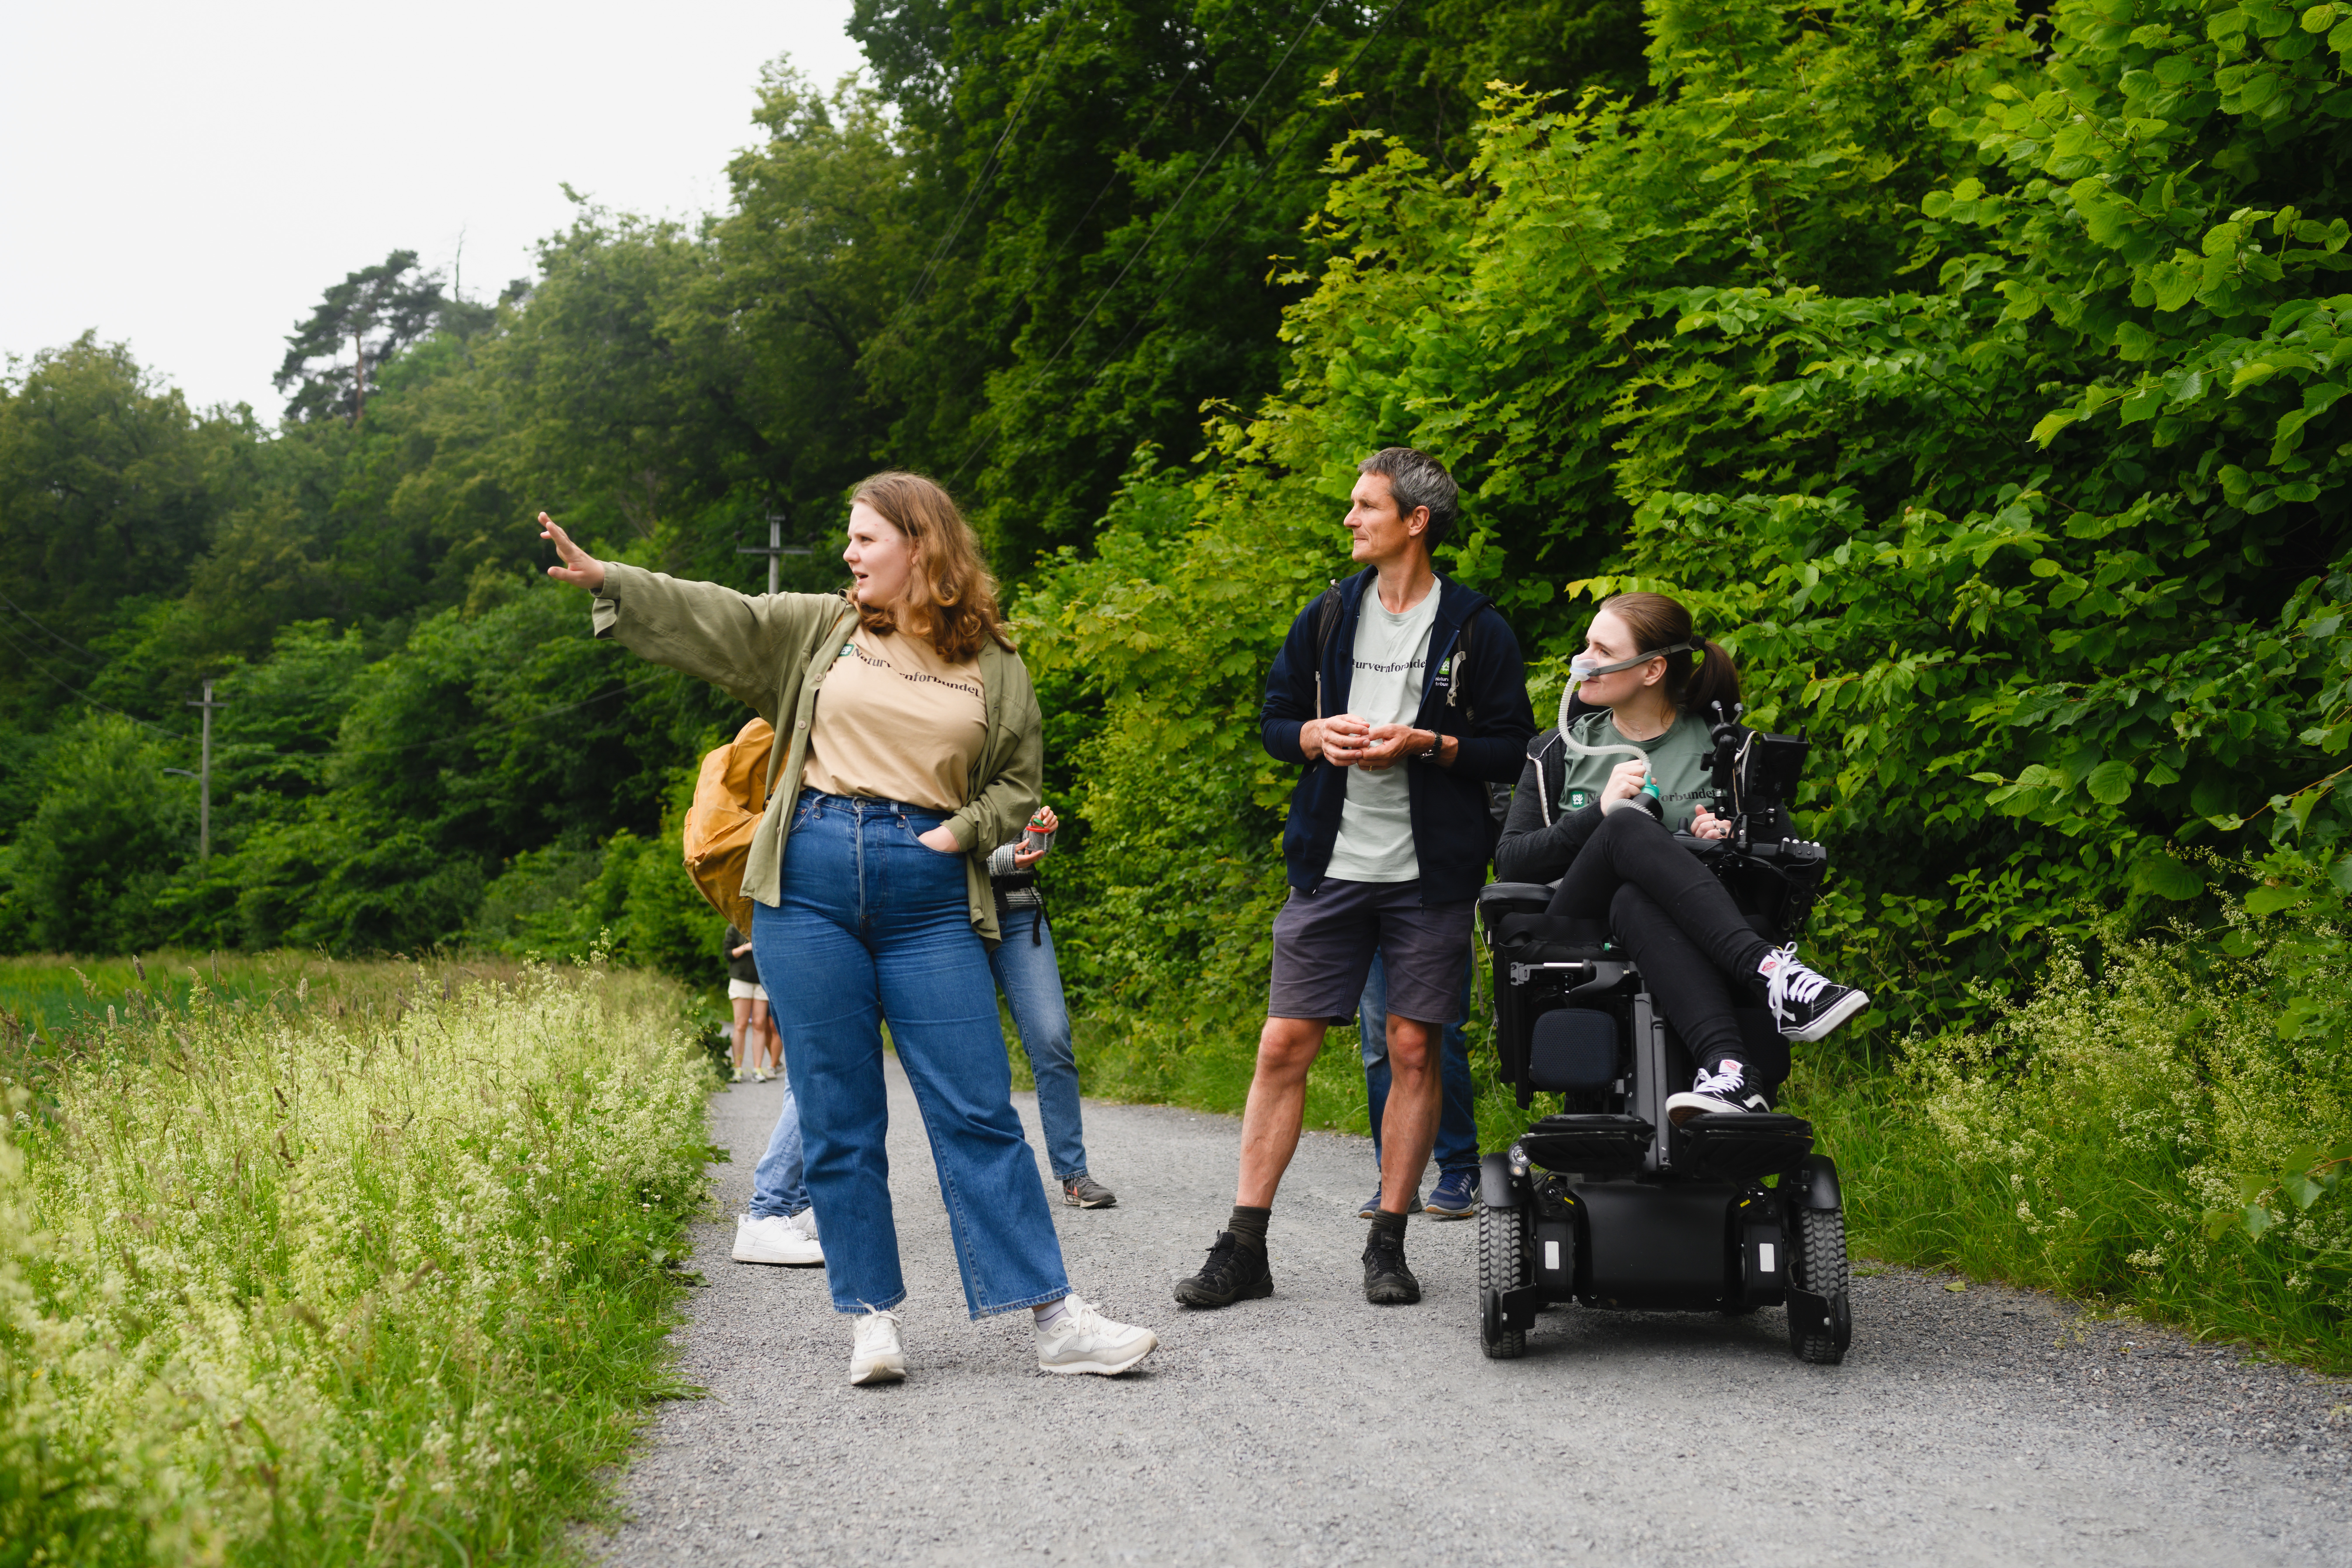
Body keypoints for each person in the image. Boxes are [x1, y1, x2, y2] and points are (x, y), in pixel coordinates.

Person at [537, 474, 1157, 1385]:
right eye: (849, 540)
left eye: (867, 539)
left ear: (923, 548)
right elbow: (726, 617)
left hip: (930, 890)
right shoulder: (821, 629)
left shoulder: (994, 661)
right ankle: (871, 1320)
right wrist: (614, 582)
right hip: (811, 878)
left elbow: (1018, 783)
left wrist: (959, 832)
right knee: (838, 1109)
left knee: (979, 1109)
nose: (850, 553)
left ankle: (1056, 1321)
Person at [1174, 447, 1535, 1311]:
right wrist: (1313, 738)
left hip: (1430, 875)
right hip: (1331, 866)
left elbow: (1515, 746)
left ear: (1416, 520)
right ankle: (1244, 1247)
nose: (1350, 520)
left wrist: (1431, 745)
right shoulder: (1331, 614)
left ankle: (1389, 1244)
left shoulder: (1477, 628)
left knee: (1414, 1047)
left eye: (1365, 506)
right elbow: (1273, 719)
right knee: (1282, 1044)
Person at [1493, 591, 1869, 1122]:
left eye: (1601, 650)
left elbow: (1781, 863)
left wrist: (1726, 840)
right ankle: (1771, 972)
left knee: (1635, 898)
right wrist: (1597, 813)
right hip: (1578, 925)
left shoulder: (1728, 751)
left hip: (1663, 924)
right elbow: (1511, 862)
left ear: (1651, 669)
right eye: (1586, 646)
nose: (1582, 663)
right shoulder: (1557, 749)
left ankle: (1730, 1071)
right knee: (1625, 822)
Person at [986, 805, 1118, 1209]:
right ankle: (982, 1175)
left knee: (1052, 1037)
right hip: (954, 917)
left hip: (1021, 914)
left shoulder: (1015, 757)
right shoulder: (939, 757)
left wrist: (1041, 833)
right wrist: (1005, 858)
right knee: (976, 1053)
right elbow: (933, 848)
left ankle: (1074, 1175)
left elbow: (1028, 849)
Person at [1354, 950, 1478, 1219]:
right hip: (1368, 916)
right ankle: (1398, 1179)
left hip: (1432, 914)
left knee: (1438, 1036)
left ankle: (1461, 1167)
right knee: (1379, 1045)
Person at [724, 923, 776, 1082]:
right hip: (741, 981)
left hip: (762, 982)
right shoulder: (735, 927)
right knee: (741, 1025)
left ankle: (758, 1069)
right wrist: (746, 948)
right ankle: (738, 1069)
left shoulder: (765, 925)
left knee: (760, 1025)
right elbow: (728, 954)